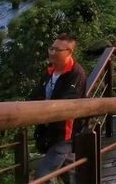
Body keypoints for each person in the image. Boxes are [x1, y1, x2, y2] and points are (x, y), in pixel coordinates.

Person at [31, 34, 87, 184]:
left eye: (57, 50)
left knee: (43, 176)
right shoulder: (49, 72)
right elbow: (34, 97)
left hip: (64, 134)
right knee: (69, 172)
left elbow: (67, 102)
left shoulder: (76, 74)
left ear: (69, 52)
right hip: (48, 132)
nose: (52, 52)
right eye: (51, 48)